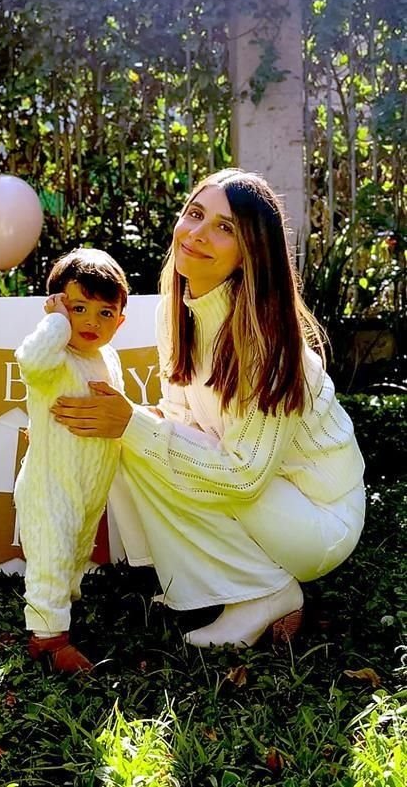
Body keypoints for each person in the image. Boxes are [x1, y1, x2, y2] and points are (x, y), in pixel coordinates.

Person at [50, 169, 366, 649]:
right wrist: (130, 423)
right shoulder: (175, 310)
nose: (197, 233)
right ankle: (214, 577)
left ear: (250, 253)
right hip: (263, 491)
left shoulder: (270, 344)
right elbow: (180, 418)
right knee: (136, 437)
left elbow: (245, 477)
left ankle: (267, 592)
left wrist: (135, 426)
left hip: (316, 520)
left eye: (224, 228)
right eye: (195, 214)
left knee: (140, 436)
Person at [14, 248, 128, 672]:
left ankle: (65, 601)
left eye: (104, 312)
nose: (90, 323)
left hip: (88, 484)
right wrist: (55, 323)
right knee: (52, 551)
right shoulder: (54, 357)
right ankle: (48, 638)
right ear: (58, 306)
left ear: (120, 320)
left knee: (77, 547)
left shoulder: (107, 358)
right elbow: (30, 358)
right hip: (50, 483)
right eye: (78, 308)